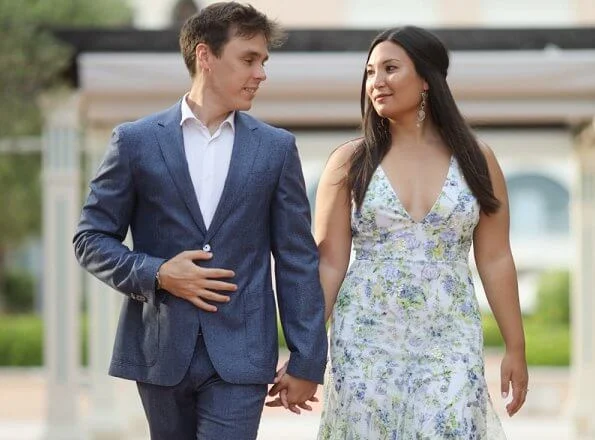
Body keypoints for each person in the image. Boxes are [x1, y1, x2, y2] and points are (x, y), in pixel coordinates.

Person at [73, 3, 327, 439]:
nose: (261, 73)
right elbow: (90, 238)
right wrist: (158, 273)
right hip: (160, 347)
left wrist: (307, 360)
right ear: (205, 56)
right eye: (249, 59)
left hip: (242, 354)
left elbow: (297, 259)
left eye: (263, 61)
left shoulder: (276, 149)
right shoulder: (135, 142)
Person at [316, 26, 528, 438]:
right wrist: (305, 350)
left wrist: (515, 348)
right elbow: (328, 262)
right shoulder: (348, 163)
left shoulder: (477, 160)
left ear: (427, 79)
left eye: (391, 68)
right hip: (365, 340)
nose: (376, 82)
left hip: (450, 338)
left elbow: (495, 257)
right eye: (370, 71)